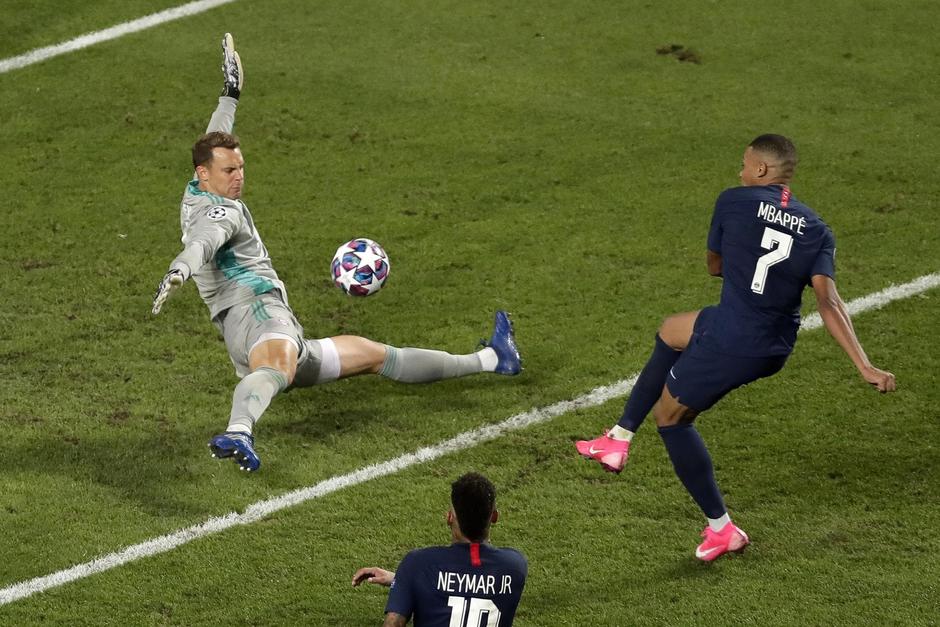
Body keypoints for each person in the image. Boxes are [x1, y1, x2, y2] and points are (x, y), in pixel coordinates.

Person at [151, 35, 521, 473]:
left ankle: (493, 358)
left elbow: (214, 140)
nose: (239, 176)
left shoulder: (196, 187)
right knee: (276, 365)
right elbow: (203, 243)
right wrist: (180, 269)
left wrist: (229, 95)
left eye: (242, 167)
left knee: (373, 355)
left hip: (244, 327)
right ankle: (239, 430)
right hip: (258, 312)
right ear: (206, 173)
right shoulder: (220, 212)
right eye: (230, 170)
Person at [576, 134, 896, 561]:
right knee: (672, 330)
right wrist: (865, 365)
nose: (740, 171)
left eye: (744, 164)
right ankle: (618, 437)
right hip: (774, 342)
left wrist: (744, 267)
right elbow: (828, 301)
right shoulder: (818, 230)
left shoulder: (733, 201)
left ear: (761, 170)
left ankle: (721, 530)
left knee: (671, 419)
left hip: (736, 338)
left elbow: (714, 266)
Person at [353, 472, 527, 626]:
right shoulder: (514, 565)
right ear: (494, 516)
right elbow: (473, 580)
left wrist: (406, 580)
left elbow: (394, 624)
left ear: (450, 517)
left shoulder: (418, 564)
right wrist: (403, 581)